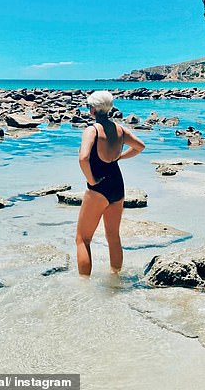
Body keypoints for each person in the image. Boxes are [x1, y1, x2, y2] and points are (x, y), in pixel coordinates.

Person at [75, 90, 145, 276]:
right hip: (117, 185)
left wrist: (91, 180)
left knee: (83, 239)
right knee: (113, 236)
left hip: (99, 187)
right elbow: (140, 146)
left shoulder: (92, 130)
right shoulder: (119, 129)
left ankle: (83, 286)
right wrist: (119, 157)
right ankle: (116, 277)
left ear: (93, 109)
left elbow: (83, 158)